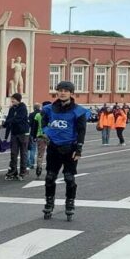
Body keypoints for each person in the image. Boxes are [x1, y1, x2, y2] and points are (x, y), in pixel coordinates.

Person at [41, 81, 87, 221]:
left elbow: (81, 131)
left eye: (66, 91)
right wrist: (47, 133)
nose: (62, 93)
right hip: (54, 147)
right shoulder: (49, 109)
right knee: (50, 177)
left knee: (69, 178)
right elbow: (43, 123)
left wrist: (78, 149)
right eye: (60, 90)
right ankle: (49, 203)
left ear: (71, 93)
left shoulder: (78, 111)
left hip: (70, 148)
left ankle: (70, 204)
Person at [2, 92, 30, 180]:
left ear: (18, 100)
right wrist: (5, 128)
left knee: (23, 153)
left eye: (13, 100)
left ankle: (23, 172)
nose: (12, 101)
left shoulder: (23, 108)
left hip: (23, 133)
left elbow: (17, 119)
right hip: (14, 133)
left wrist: (8, 122)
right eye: (11, 100)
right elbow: (8, 121)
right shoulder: (12, 109)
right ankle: (13, 171)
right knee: (13, 153)